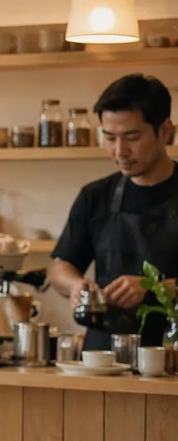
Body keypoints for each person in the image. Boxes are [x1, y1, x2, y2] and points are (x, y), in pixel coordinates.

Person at [49, 74, 178, 349]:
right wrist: (75, 286)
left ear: (165, 131)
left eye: (132, 137)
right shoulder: (95, 196)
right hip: (104, 357)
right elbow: (60, 267)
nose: (119, 151)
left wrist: (157, 288)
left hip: (171, 354)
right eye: (109, 137)